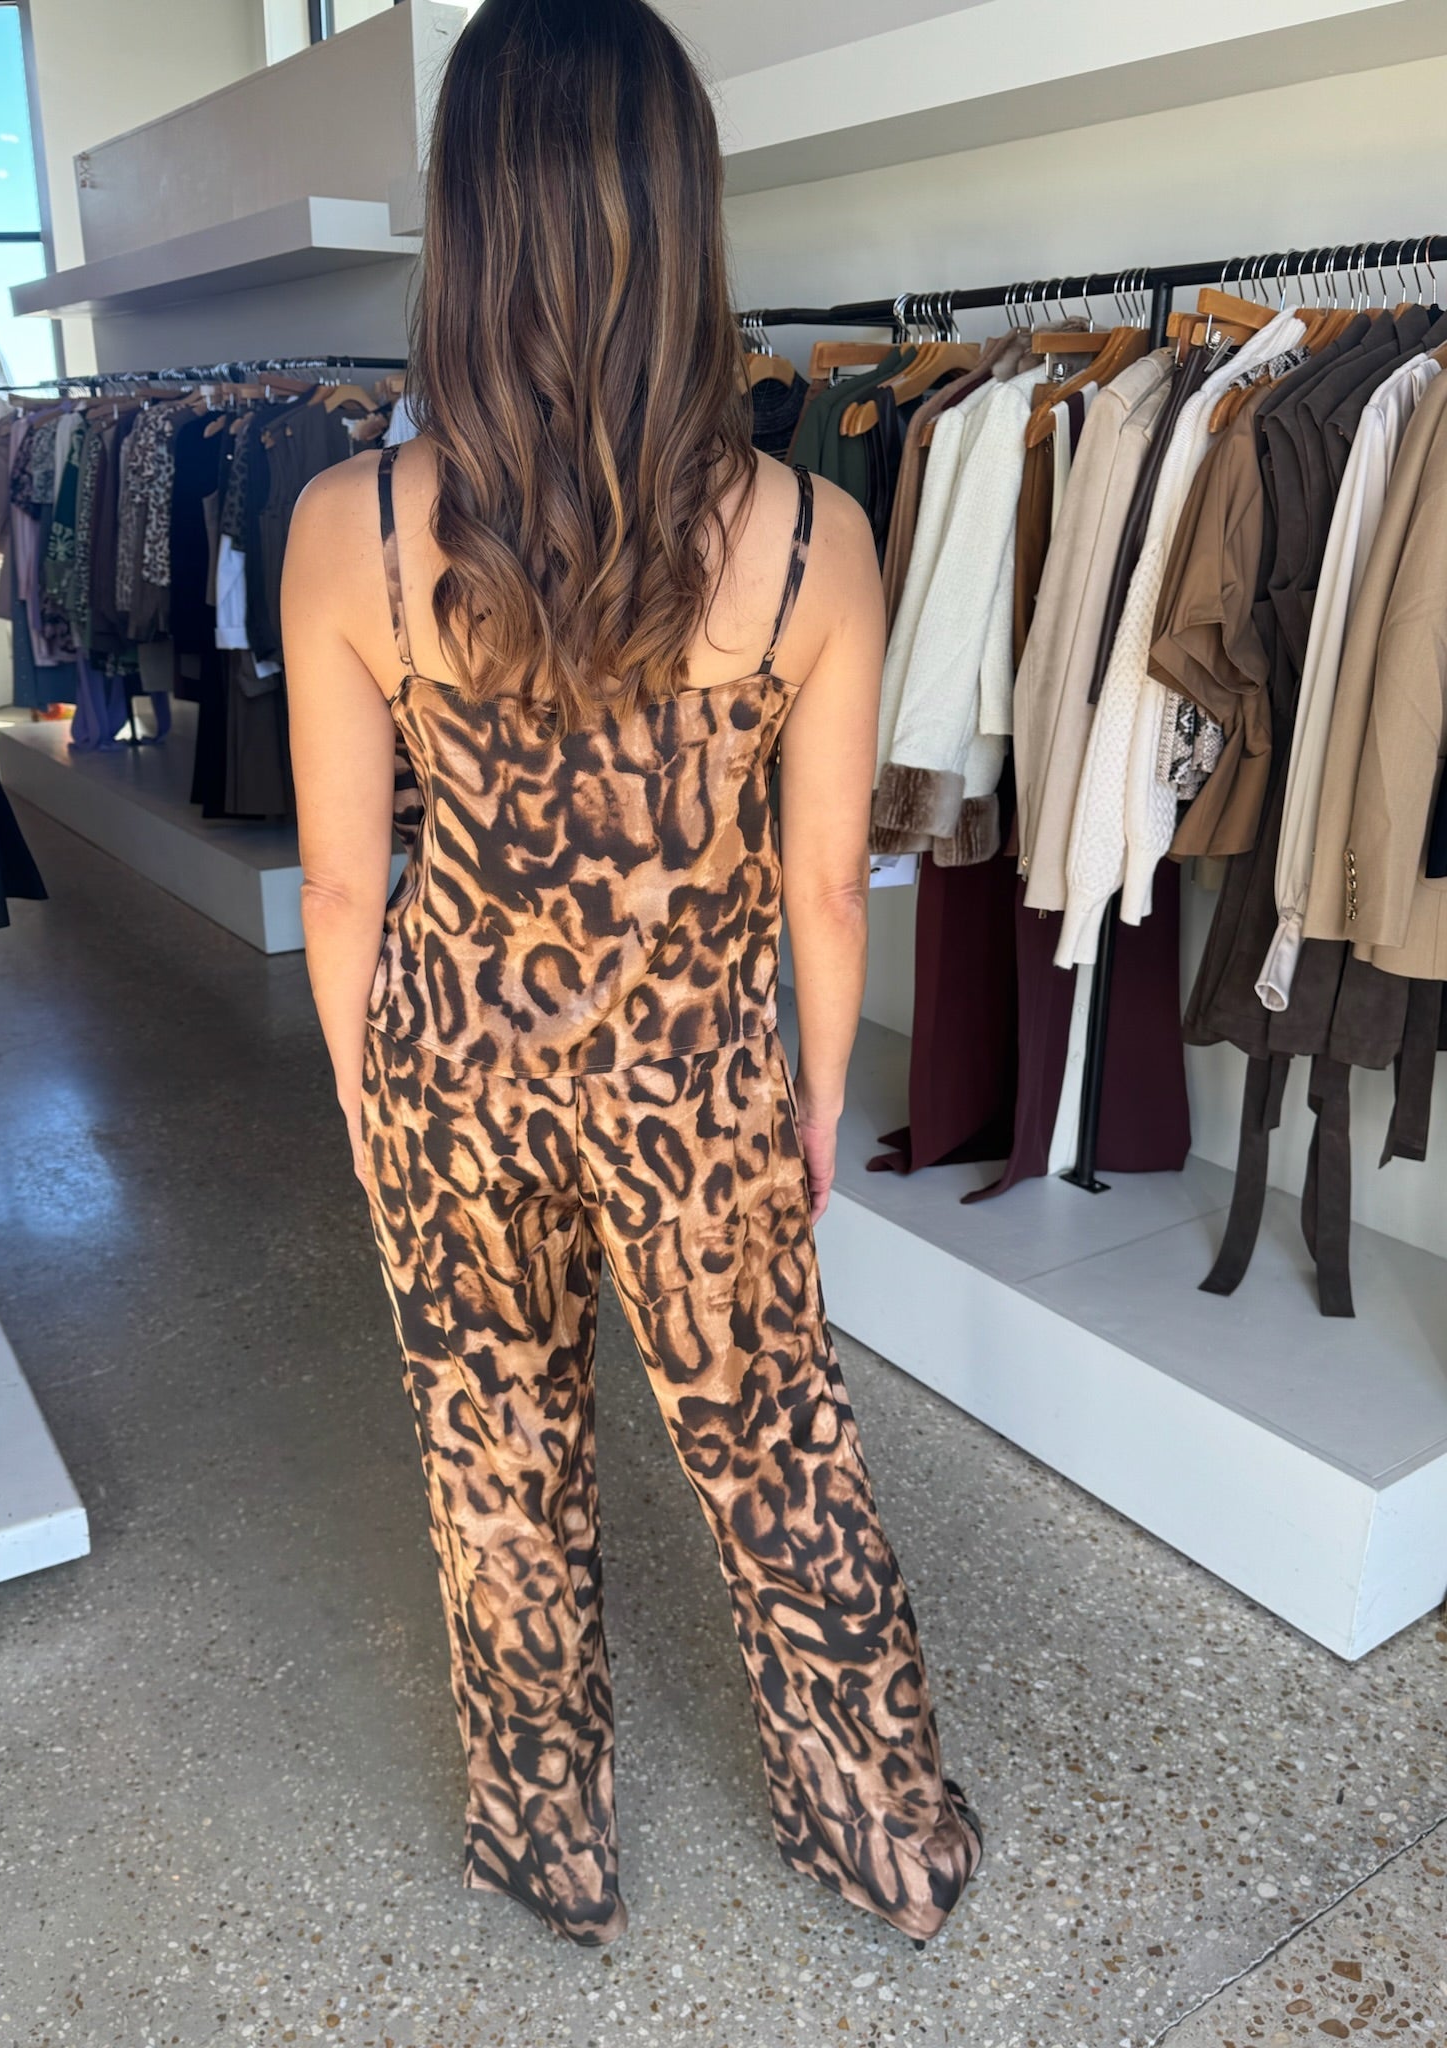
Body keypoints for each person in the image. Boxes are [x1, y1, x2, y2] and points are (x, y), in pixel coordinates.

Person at [280, 0, 980, 1952]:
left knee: (492, 1468)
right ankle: (885, 1839)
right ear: (686, 217)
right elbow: (825, 886)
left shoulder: (348, 529)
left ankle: (551, 1851)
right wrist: (811, 1102)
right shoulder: (813, 539)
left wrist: (373, 1108)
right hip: (699, 1091)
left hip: (451, 1074)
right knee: (779, 1462)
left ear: (468, 222)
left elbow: (340, 886)